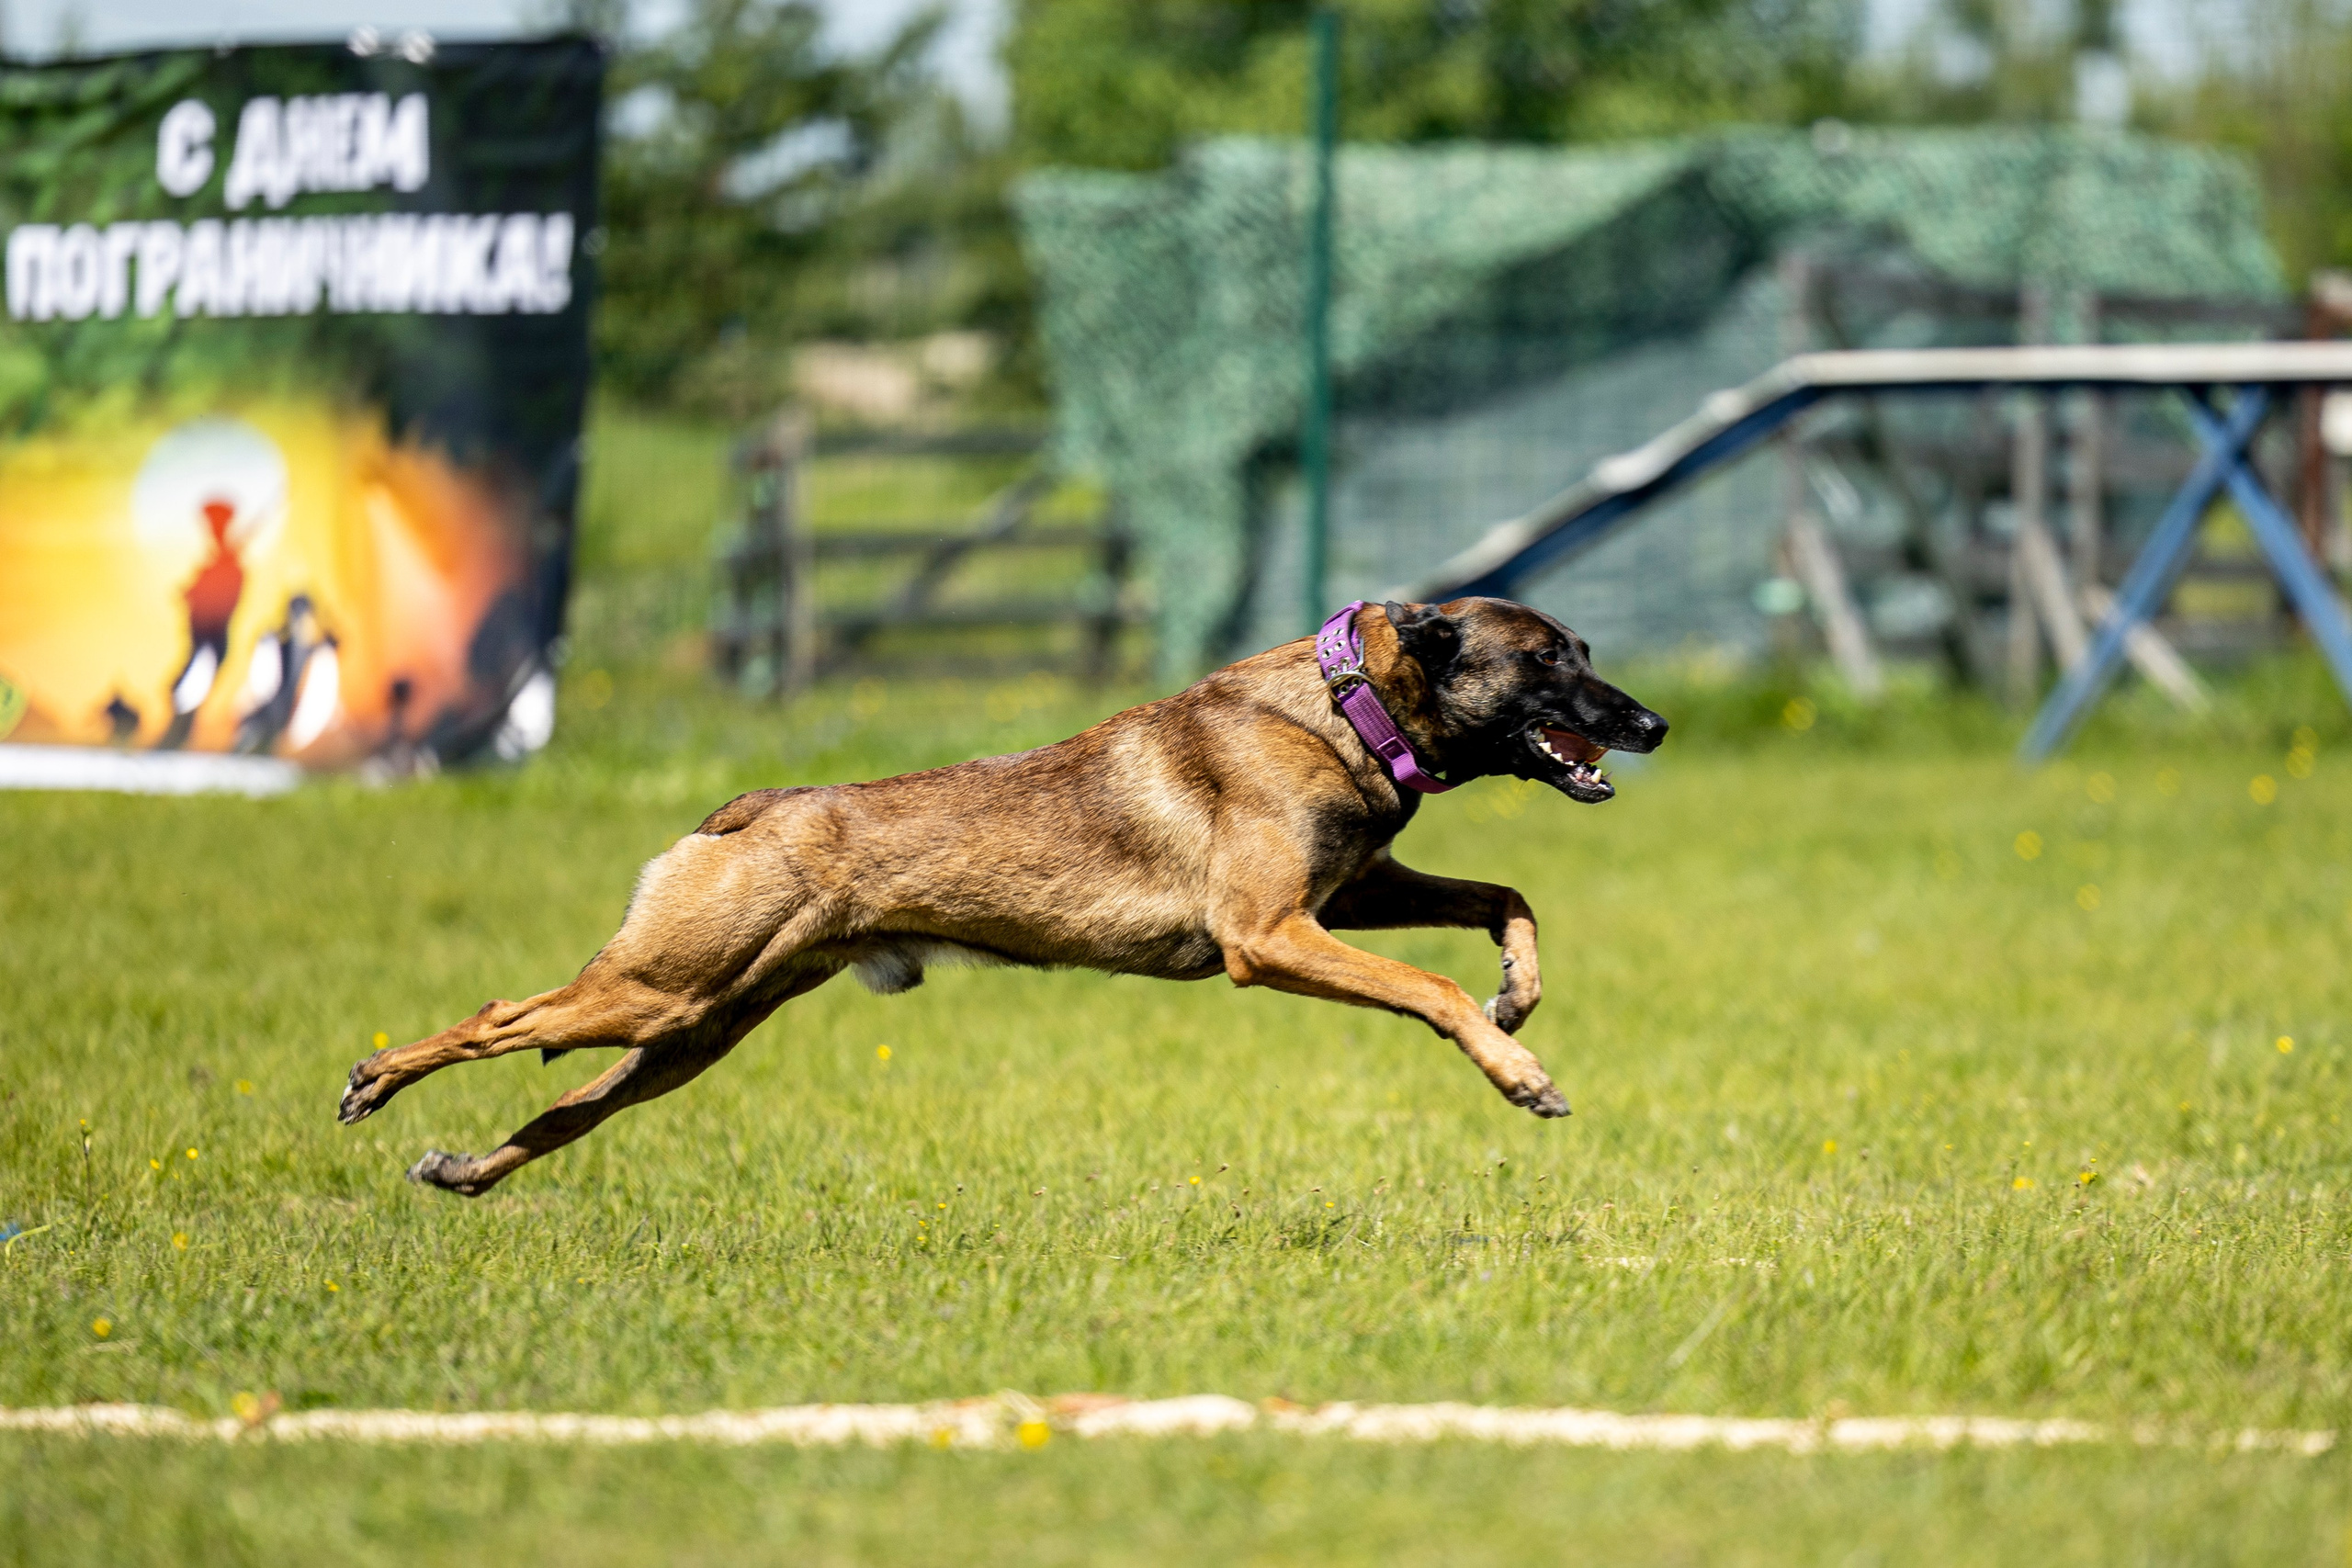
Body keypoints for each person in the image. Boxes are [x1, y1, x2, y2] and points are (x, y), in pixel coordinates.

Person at [157, 497, 245, 750]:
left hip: (210, 642)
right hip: (201, 642)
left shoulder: (230, 566)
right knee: (181, 694)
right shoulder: (219, 562)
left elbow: (223, 604)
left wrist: (204, 588)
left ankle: (172, 746)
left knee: (186, 697)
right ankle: (170, 745)